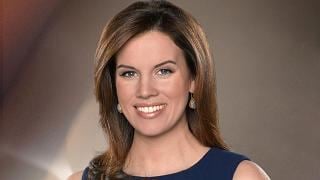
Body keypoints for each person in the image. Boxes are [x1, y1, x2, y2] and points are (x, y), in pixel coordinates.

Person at [69, 0, 270, 179]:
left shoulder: (241, 176)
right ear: (113, 86)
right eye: (129, 74)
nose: (145, 90)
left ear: (194, 79)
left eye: (163, 71)